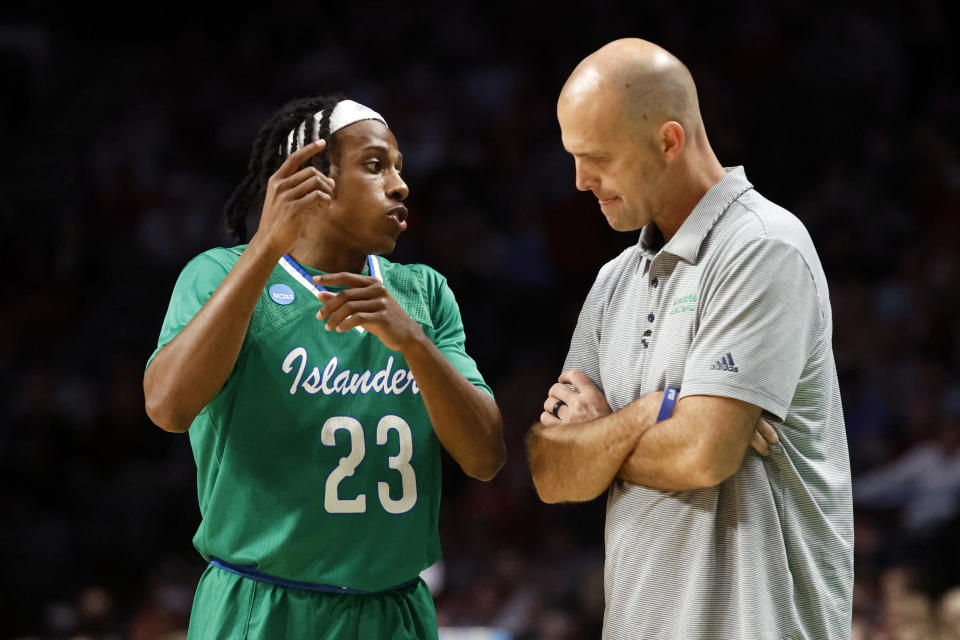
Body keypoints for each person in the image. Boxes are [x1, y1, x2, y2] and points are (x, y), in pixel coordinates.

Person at [143, 95, 506, 639]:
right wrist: (265, 245)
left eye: (399, 169)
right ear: (309, 179)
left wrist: (414, 344)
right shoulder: (218, 274)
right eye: (376, 165)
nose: (400, 186)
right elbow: (167, 408)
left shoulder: (424, 294)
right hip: (261, 609)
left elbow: (486, 457)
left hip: (395, 610)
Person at [526, 39, 853, 639]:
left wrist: (600, 434)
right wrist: (653, 412)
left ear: (669, 141)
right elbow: (551, 471)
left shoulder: (761, 245)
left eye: (596, 157)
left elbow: (704, 453)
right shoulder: (612, 281)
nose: (579, 181)